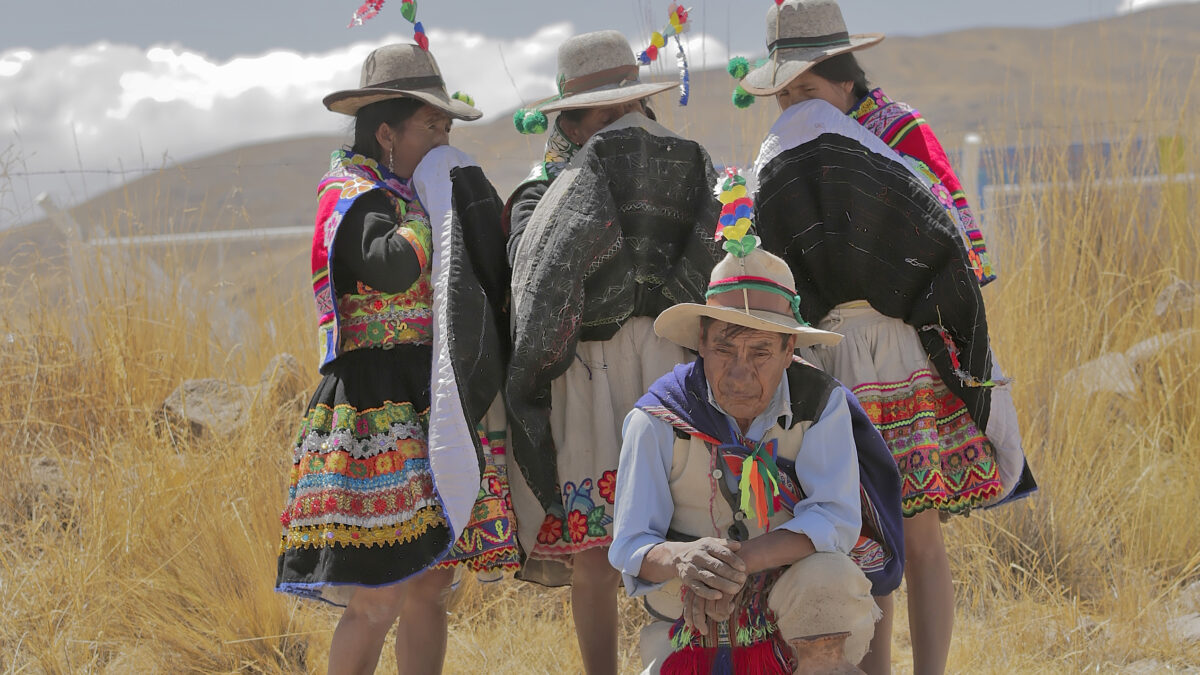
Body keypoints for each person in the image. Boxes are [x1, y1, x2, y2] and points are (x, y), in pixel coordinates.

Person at [735, 2, 1036, 673]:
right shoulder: (782, 159)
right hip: (830, 356)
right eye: (783, 94)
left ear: (846, 82)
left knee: (919, 531)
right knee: (865, 538)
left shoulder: (897, 133)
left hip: (898, 348)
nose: (795, 105)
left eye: (808, 89)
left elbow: (946, 227)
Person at [274, 43, 518, 675]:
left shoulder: (406, 191)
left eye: (448, 126)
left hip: (425, 400)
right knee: (378, 594)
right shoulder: (351, 195)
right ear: (386, 133)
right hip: (374, 408)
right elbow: (390, 268)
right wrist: (439, 212)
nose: (443, 138)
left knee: (430, 586)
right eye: (431, 125)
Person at [503, 30, 724, 675]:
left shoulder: (563, 185)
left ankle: (693, 661)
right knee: (599, 552)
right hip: (629, 365)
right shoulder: (550, 187)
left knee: (680, 535)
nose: (619, 125)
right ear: (577, 118)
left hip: (638, 367)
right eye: (608, 114)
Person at [609, 243, 905, 673]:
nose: (740, 372)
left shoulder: (821, 406)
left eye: (761, 353)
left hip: (795, 600)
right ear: (701, 345)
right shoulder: (657, 419)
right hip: (690, 610)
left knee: (831, 577)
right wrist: (686, 560)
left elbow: (835, 519)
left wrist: (739, 562)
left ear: (790, 352)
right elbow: (632, 544)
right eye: (725, 350)